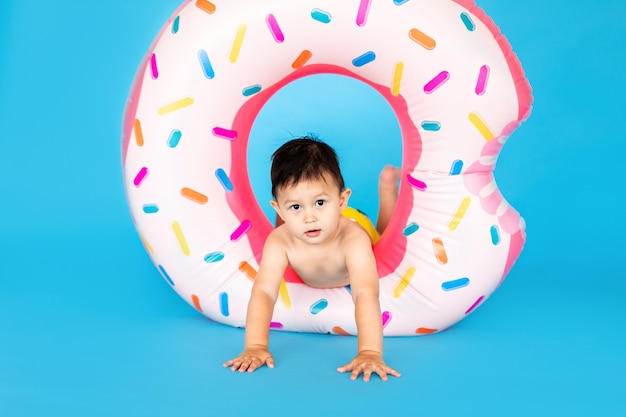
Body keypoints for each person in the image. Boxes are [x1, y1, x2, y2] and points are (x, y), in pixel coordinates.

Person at [223, 136, 401, 382]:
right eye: (296, 207)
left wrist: (369, 351)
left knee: (382, 237)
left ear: (341, 200)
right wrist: (256, 345)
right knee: (291, 227)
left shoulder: (353, 241)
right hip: (313, 223)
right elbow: (264, 291)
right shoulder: (280, 241)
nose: (310, 217)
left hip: (352, 222)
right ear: (278, 209)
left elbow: (365, 294)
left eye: (319, 202)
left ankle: (388, 187)